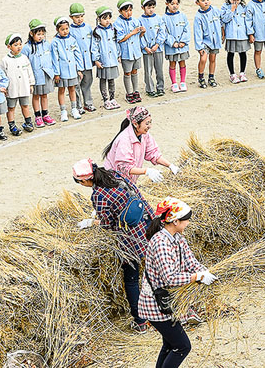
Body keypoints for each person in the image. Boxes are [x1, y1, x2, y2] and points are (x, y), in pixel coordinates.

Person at [73, 158, 153, 334]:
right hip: (147, 222)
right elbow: (136, 193)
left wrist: (91, 222)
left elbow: (107, 225)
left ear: (86, 180)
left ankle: (140, 322)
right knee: (156, 270)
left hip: (130, 239)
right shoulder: (115, 174)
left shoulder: (98, 195)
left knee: (131, 279)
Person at [139, 197, 215, 368]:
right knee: (182, 346)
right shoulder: (160, 243)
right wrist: (197, 277)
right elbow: (170, 278)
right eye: (186, 220)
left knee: (169, 345)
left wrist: (205, 272)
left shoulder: (178, 238)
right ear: (175, 221)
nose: (188, 223)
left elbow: (190, 262)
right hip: (156, 304)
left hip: (169, 301)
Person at [102, 106, 179, 184]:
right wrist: (147, 171)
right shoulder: (124, 140)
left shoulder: (144, 135)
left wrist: (170, 165)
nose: (150, 126)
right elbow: (125, 168)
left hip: (128, 181)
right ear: (135, 124)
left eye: (150, 122)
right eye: (147, 123)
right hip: (113, 181)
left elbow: (153, 153)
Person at [50, 17, 83, 121]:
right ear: (57, 30)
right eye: (62, 29)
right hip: (62, 71)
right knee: (61, 90)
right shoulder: (55, 42)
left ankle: (74, 108)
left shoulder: (72, 39)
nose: (65, 31)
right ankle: (63, 111)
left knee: (72, 88)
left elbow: (77, 54)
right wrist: (56, 73)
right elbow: (54, 58)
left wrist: (79, 68)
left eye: (66, 29)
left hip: (72, 70)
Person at [26, 19, 56, 125]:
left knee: (44, 95)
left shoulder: (47, 44)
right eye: (38, 34)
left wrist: (54, 72)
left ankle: (45, 114)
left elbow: (52, 58)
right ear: (31, 33)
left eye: (42, 34)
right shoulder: (27, 48)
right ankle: (38, 116)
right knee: (36, 95)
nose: (41, 36)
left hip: (46, 74)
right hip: (36, 76)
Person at [115, 0, 145, 102]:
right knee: (127, 72)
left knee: (135, 71)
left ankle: (136, 91)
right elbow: (120, 39)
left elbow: (139, 37)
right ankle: (129, 93)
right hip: (126, 53)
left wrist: (142, 32)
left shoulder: (135, 21)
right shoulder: (117, 23)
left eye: (130, 10)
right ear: (120, 11)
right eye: (126, 11)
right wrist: (133, 32)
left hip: (135, 52)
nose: (129, 13)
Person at [90, 9, 121, 109]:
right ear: (99, 19)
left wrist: (118, 55)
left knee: (111, 80)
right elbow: (94, 47)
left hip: (112, 59)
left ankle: (112, 98)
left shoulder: (113, 29)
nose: (107, 21)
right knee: (103, 80)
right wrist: (96, 60)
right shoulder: (97, 32)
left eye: (109, 18)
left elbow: (116, 43)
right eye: (104, 18)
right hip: (103, 60)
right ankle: (106, 99)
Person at [220, 0, 252, 84]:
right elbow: (224, 19)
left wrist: (250, 33)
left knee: (243, 53)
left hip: (242, 34)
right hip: (231, 35)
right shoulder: (225, 7)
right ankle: (232, 74)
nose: (235, 0)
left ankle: (242, 72)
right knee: (231, 53)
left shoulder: (244, 7)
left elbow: (248, 20)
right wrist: (232, 10)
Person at [161, 0, 191, 92]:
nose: (175, 6)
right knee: (172, 63)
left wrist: (183, 41)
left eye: (177, 4)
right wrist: (173, 43)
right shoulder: (164, 18)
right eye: (172, 4)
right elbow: (164, 32)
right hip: (171, 47)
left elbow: (187, 29)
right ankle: (174, 83)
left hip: (182, 46)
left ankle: (182, 82)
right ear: (167, 4)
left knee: (182, 62)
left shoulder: (183, 16)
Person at [69, 3, 96, 112]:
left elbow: (93, 43)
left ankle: (88, 103)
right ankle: (78, 106)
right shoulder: (70, 30)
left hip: (88, 61)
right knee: (76, 85)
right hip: (77, 63)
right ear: (71, 17)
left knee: (87, 82)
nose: (79, 19)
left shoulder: (88, 27)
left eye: (81, 16)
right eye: (76, 17)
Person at [192, 0, 222, 88]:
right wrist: (199, 47)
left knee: (212, 58)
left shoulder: (215, 10)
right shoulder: (198, 17)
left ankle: (211, 77)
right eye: (203, 0)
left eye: (208, 0)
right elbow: (197, 33)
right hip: (205, 41)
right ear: (197, 3)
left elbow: (222, 19)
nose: (206, 2)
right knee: (203, 58)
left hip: (215, 40)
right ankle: (201, 77)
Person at [140, 0, 168, 98]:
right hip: (147, 50)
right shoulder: (140, 20)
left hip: (158, 49)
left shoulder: (159, 19)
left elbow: (162, 32)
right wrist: (145, 47)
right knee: (148, 70)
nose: (151, 10)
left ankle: (160, 87)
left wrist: (157, 44)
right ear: (143, 8)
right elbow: (139, 36)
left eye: (153, 7)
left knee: (159, 69)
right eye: (148, 7)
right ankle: (150, 89)